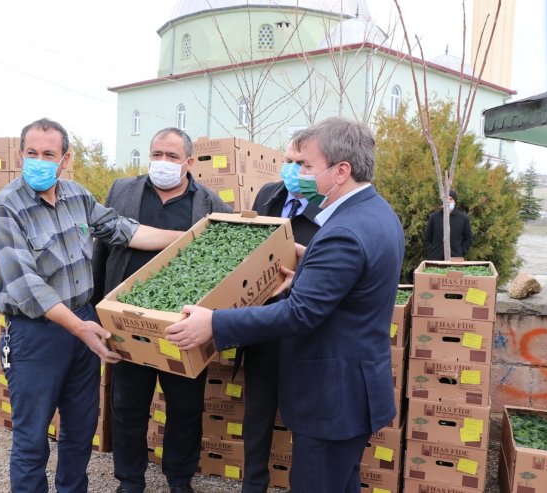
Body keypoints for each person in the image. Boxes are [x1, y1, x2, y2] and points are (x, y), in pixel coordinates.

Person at [165, 117, 405, 493]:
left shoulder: (342, 231)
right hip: (355, 391)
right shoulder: (377, 213)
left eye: (306, 165)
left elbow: (300, 314)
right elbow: (353, 284)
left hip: (333, 399)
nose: (298, 173)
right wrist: (308, 269)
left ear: (341, 171)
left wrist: (216, 324)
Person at [0, 118, 182, 493]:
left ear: (65, 159)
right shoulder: (4, 209)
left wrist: (186, 236)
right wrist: (78, 328)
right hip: (36, 334)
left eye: (48, 154)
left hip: (83, 323)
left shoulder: (76, 195)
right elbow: (26, 286)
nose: (39, 161)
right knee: (31, 439)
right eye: (32, 153)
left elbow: (124, 229)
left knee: (80, 430)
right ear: (20, 154)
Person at [90, 128, 231, 493]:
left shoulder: (211, 205)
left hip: (183, 327)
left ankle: (179, 480)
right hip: (127, 321)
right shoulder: (122, 191)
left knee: (184, 408)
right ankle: (130, 480)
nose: (162, 163)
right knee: (128, 407)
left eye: (171, 156)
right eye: (156, 154)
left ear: (188, 162)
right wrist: (97, 307)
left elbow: (227, 267)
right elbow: (101, 250)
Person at [235, 140, 321, 493]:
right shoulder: (269, 194)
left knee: (304, 418)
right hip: (262, 323)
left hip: (303, 328)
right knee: (257, 413)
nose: (291, 169)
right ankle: (252, 485)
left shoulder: (328, 205)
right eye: (286, 160)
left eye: (300, 163)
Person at [424, 189, 474, 260]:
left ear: (455, 201)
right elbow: (427, 238)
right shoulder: (434, 217)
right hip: (435, 258)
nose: (448, 201)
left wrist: (461, 251)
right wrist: (431, 250)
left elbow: (468, 239)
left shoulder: (463, 218)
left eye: (451, 199)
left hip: (455, 258)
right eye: (446, 198)